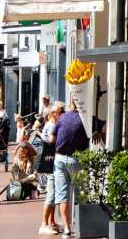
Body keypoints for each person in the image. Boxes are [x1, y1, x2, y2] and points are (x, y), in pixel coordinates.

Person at [51, 100, 88, 237]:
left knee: (62, 195)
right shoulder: (85, 117)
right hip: (75, 159)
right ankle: (80, 226)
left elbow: (52, 139)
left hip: (59, 158)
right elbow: (104, 127)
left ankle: (67, 228)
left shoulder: (62, 117)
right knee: (79, 193)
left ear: (70, 105)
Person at [38, 105, 61, 235]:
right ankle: (44, 224)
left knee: (52, 193)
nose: (62, 114)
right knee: (51, 194)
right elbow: (52, 141)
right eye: (60, 111)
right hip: (51, 162)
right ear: (53, 113)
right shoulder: (52, 125)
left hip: (51, 161)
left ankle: (51, 222)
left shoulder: (50, 124)